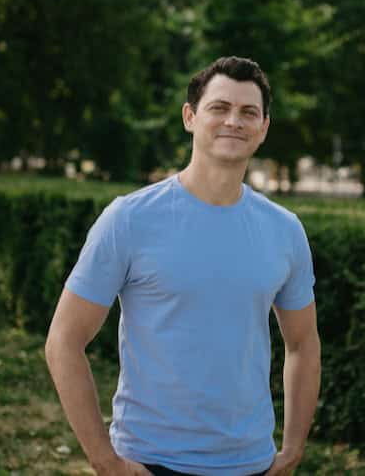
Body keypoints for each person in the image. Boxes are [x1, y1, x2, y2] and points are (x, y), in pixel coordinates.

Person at [45, 56, 320, 476]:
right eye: (219, 108)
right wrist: (105, 461)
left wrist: (293, 448)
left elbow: (303, 344)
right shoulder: (129, 219)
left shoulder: (284, 230)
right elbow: (63, 341)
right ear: (190, 117)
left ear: (263, 128)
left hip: (251, 464)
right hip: (151, 461)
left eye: (249, 112)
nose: (234, 121)